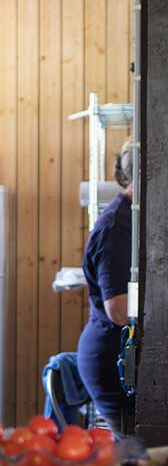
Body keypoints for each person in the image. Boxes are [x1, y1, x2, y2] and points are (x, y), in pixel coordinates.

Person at [77, 139, 135, 431]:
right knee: (140, 464)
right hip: (115, 361)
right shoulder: (117, 225)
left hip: (123, 356)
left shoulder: (137, 217)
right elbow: (120, 310)